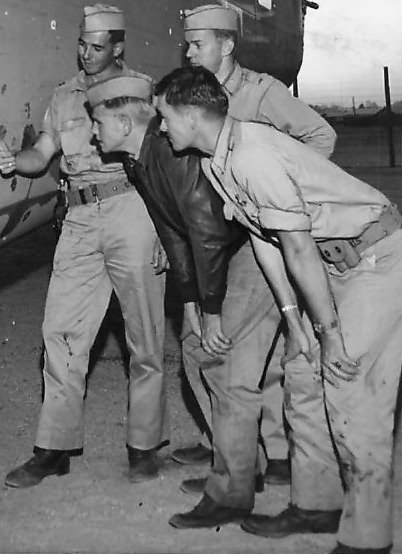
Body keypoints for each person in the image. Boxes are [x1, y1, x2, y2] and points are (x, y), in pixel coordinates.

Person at [156, 65, 402, 554]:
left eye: (165, 117)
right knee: (303, 371)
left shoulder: (252, 155)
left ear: (191, 114)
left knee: (351, 389)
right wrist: (295, 321)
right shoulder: (215, 161)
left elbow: (296, 247)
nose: (161, 128)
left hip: (376, 258)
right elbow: (265, 239)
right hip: (331, 264)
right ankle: (317, 504)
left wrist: (328, 332)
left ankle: (367, 540)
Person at [85, 74, 298, 529]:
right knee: (199, 353)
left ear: (123, 122)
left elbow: (205, 235)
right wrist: (188, 307)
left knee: (224, 367)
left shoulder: (167, 154)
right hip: (222, 259)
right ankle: (244, 467)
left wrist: (212, 311)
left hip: (246, 255)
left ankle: (233, 489)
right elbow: (175, 237)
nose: (92, 132)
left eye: (98, 122)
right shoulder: (139, 160)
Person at [0, 5, 167, 487]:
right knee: (60, 331)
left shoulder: (142, 91)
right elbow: (42, 154)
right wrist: (14, 160)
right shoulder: (64, 95)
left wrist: (167, 231)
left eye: (96, 47)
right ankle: (54, 447)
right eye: (82, 45)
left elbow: (165, 161)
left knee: (144, 335)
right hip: (80, 218)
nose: (85, 55)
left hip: (133, 211)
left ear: (118, 48)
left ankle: (144, 446)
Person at [174, 3, 337, 484]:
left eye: (197, 44)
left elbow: (320, 135)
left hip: (258, 237)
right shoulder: (196, 95)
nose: (188, 52)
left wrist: (281, 198)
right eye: (187, 44)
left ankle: (259, 456)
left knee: (241, 346)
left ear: (227, 46)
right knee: (243, 347)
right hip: (219, 236)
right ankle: (247, 446)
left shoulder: (261, 93)